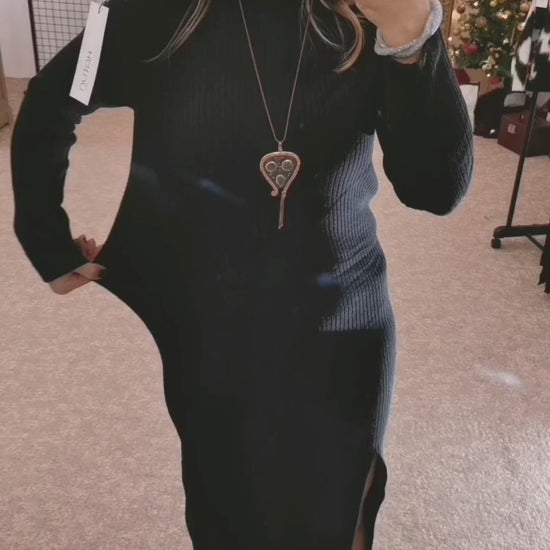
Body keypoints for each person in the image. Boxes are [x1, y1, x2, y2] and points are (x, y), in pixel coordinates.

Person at [10, 0, 473, 548]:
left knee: (342, 507)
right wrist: (46, 242)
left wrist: (413, 38)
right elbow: (51, 97)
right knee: (229, 513)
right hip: (208, 331)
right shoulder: (149, 11)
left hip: (345, 321)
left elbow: (436, 190)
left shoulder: (367, 11)